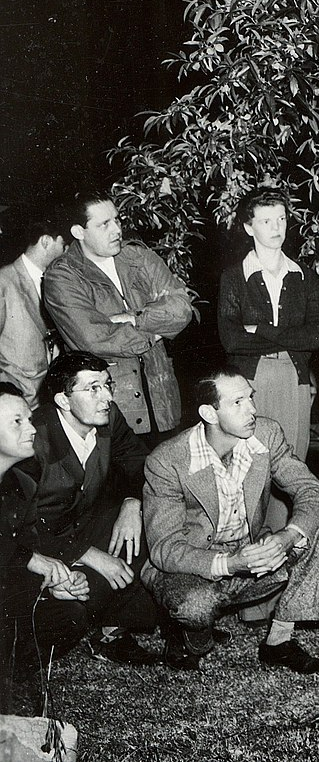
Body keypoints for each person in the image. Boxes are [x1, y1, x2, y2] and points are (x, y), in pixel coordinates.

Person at [140, 369, 319, 672]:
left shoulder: (266, 434)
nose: (253, 410)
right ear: (209, 412)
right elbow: (165, 549)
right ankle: (190, 636)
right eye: (238, 402)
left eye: (251, 398)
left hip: (250, 555)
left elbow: (312, 491)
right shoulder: (167, 461)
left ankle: (279, 641)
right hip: (193, 566)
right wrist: (232, 563)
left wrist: (286, 536)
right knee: (194, 608)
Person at [28, 352, 158, 664]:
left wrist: (132, 502)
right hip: (36, 545)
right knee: (69, 614)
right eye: (94, 388)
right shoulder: (33, 439)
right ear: (63, 399)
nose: (108, 397)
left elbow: (139, 463)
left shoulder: (108, 416)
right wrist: (87, 554)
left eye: (108, 385)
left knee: (143, 527)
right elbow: (21, 526)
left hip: (79, 523)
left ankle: (112, 630)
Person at [43, 191, 193, 439]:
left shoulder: (139, 257)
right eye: (104, 224)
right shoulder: (62, 276)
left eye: (117, 220)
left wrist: (134, 318)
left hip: (163, 400)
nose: (117, 230)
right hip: (110, 408)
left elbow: (181, 308)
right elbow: (93, 339)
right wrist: (156, 331)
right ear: (79, 232)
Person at [218, 186, 319, 462]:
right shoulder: (234, 277)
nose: (276, 227)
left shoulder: (305, 277)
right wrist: (292, 336)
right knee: (250, 464)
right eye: (266, 221)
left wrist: (261, 329)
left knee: (291, 463)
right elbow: (232, 340)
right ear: (248, 227)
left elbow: (316, 338)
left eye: (281, 219)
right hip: (250, 381)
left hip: (295, 378)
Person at [0, 382, 88, 713]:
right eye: (17, 422)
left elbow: (20, 554)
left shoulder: (22, 485)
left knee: (69, 614)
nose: (31, 430)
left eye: (29, 419)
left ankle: (10, 677)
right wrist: (32, 561)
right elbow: (20, 554)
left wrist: (52, 584)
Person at [0, 215, 65, 408]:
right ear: (46, 241)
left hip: (48, 401)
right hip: (18, 400)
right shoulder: (4, 281)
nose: (66, 252)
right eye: (63, 245)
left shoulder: (56, 282)